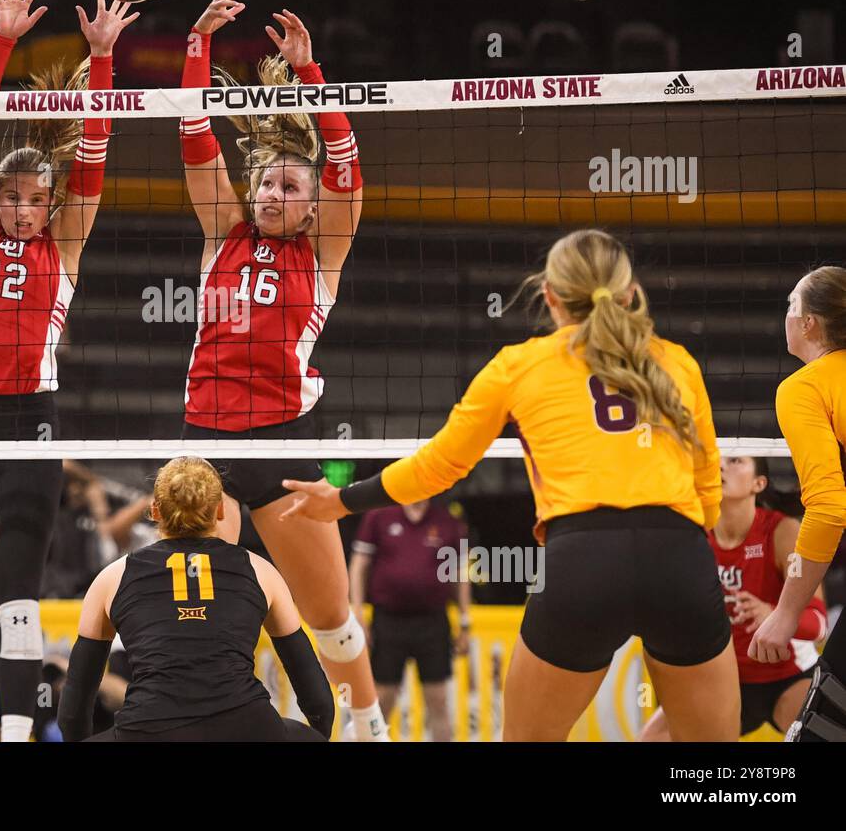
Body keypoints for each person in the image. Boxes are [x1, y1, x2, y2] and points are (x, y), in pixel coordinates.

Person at [283, 229, 740, 741]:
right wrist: (680, 568)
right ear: (631, 292)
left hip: (583, 564)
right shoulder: (677, 362)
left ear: (549, 296)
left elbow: (440, 465)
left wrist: (343, 500)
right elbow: (708, 491)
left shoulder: (519, 365)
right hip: (678, 558)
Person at [0, 0, 138, 742]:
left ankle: (18, 732)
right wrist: (3, 41)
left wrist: (102, 58)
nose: (20, 208)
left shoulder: (68, 243)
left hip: (33, 425)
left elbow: (95, 147)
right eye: (9, 196)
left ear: (50, 202)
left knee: (17, 592)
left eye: (32, 198)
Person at [175, 0, 385, 739]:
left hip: (287, 440)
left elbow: (348, 166)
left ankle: (367, 722)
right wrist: (196, 44)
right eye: (265, 179)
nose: (271, 190)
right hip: (206, 442)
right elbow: (195, 135)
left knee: (329, 618)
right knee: (207, 609)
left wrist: (311, 73)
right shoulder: (223, 232)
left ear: (311, 200)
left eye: (289, 184)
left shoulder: (323, 251)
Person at [58, 457, 334, 742]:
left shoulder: (112, 577)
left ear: (154, 511)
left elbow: (74, 708)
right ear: (220, 511)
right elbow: (316, 697)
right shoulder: (261, 571)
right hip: (248, 728)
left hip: (148, 729)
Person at [640, 455, 827, 739]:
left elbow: (819, 625)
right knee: (651, 739)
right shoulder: (692, 535)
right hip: (720, 680)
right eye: (717, 460)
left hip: (787, 676)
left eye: (735, 460)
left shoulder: (783, 532)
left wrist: (776, 615)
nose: (721, 466)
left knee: (824, 736)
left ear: (758, 483)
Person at [751, 266, 846, 741]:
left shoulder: (806, 386)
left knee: (822, 731)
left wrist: (787, 613)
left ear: (809, 323)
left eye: (792, 305)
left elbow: (829, 507)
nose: (785, 315)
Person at [350, 498, 472, 740]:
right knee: (382, 699)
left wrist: (465, 620)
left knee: (438, 700)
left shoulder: (447, 522)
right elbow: (359, 565)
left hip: (433, 621)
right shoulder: (379, 516)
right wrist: (357, 613)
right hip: (388, 620)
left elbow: (460, 574)